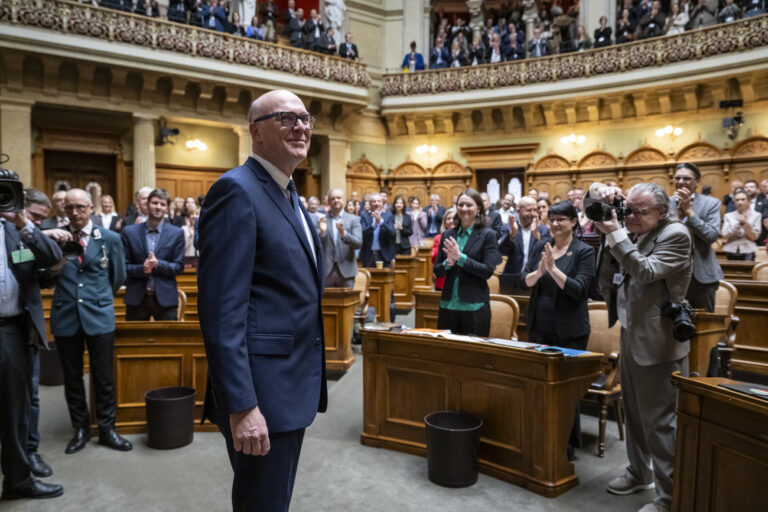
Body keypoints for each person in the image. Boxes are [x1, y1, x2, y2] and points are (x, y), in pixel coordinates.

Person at [197, 90, 326, 512]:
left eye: (305, 118)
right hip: (261, 395)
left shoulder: (289, 192)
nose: (301, 127)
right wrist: (242, 406)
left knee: (275, 500)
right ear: (256, 132)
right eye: (286, 119)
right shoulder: (236, 191)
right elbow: (222, 312)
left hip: (289, 386)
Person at [593, 183, 692, 512]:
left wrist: (617, 234)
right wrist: (608, 214)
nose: (631, 216)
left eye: (640, 211)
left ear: (662, 212)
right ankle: (638, 473)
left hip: (658, 341)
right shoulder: (634, 228)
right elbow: (611, 269)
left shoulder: (675, 234)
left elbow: (646, 271)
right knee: (634, 414)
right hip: (630, 331)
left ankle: (668, 498)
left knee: (660, 423)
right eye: (628, 208)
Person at [49, 188, 131, 455]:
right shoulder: (54, 239)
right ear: (64, 210)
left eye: (80, 207)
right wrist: (56, 264)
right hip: (66, 315)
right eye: (69, 208)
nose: (75, 213)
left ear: (91, 208)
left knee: (104, 377)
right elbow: (39, 275)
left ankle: (107, 429)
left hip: (99, 314)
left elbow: (117, 277)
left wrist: (97, 298)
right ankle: (81, 429)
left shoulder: (110, 238)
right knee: (72, 378)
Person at [0, 180, 64, 500]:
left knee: (16, 408)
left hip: (11, 328)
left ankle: (17, 480)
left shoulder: (16, 226)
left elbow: (53, 257)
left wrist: (24, 222)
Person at [520, 201, 595, 460]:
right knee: (539, 385)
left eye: (561, 219)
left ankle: (566, 444)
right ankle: (540, 437)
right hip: (539, 327)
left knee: (566, 390)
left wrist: (552, 269)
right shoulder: (542, 246)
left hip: (570, 331)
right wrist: (540, 272)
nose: (554, 223)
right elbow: (525, 280)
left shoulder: (584, 251)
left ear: (574, 222)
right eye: (550, 218)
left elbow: (579, 290)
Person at [434, 190, 502, 336]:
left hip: (474, 306)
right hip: (448, 305)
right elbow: (437, 271)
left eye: (469, 205)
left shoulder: (488, 235)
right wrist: (448, 263)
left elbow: (487, 271)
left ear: (478, 209)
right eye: (461, 205)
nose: (464, 208)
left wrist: (460, 258)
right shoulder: (447, 234)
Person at [121, 188, 185, 321]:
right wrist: (142, 269)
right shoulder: (129, 232)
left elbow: (179, 267)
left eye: (162, 204)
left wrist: (158, 264)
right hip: (137, 298)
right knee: (135, 340)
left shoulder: (176, 233)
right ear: (147, 205)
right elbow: (123, 267)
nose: (158, 207)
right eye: (155, 203)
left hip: (166, 299)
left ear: (167, 209)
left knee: (167, 341)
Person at [669, 163, 723, 312]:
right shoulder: (666, 203)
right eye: (677, 178)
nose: (680, 181)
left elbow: (711, 236)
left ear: (697, 181)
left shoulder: (711, 203)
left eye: (686, 178)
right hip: (670, 274)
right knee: (671, 327)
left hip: (702, 276)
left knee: (704, 326)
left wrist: (689, 212)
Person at [319, 188, 362, 288]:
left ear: (343, 200)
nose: (336, 200)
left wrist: (344, 234)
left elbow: (358, 243)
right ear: (328, 202)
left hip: (347, 272)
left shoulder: (354, 220)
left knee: (349, 303)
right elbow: (318, 245)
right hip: (327, 272)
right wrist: (321, 234)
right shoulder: (323, 220)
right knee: (327, 303)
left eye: (338, 198)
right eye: (333, 198)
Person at [499, 196, 550, 278]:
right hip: (513, 277)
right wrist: (512, 235)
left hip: (536, 277)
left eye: (535, 210)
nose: (533, 214)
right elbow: (502, 252)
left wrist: (537, 235)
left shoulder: (543, 230)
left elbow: (548, 254)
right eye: (529, 210)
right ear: (518, 210)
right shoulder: (509, 227)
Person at [721, 188, 762, 260]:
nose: (740, 202)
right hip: (731, 249)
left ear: (748, 201)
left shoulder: (756, 215)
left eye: (743, 199)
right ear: (734, 202)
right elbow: (725, 235)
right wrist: (738, 224)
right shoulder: (728, 215)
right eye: (737, 200)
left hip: (748, 250)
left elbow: (755, 237)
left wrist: (746, 224)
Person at [359, 193, 395, 268]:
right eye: (374, 201)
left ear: (382, 203)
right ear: (370, 203)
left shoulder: (389, 216)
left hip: (384, 255)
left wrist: (381, 221)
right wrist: (373, 225)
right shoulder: (364, 216)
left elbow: (392, 233)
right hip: (368, 255)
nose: (376, 203)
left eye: (379, 201)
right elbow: (361, 232)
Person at [431, 208, 456, 291]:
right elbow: (434, 257)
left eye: (454, 218)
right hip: (442, 278)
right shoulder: (438, 238)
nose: (451, 221)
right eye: (448, 219)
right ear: (444, 222)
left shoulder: (462, 236)